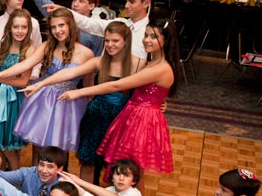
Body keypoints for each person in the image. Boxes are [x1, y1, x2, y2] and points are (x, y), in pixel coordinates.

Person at [15, 21, 139, 184]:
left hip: (122, 117)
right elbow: (70, 72)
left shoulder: (138, 64)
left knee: (118, 161)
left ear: (126, 41)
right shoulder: (99, 61)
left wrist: (159, 103)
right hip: (97, 113)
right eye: (107, 41)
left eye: (114, 41)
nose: (109, 45)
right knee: (87, 159)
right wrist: (41, 84)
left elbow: (142, 85)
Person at [59, 17, 180, 175]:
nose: (146, 40)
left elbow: (116, 85)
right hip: (128, 116)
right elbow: (150, 89)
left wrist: (79, 92)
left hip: (141, 119)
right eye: (146, 35)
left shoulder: (155, 66)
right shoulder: (151, 63)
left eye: (153, 36)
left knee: (130, 169)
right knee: (114, 165)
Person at [9, 8, 94, 153]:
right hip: (43, 100)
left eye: (61, 25)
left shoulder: (87, 54)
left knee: (60, 150)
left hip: (68, 104)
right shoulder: (47, 47)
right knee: (38, 146)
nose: (57, 30)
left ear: (70, 25)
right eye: (53, 27)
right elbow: (26, 64)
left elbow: (88, 85)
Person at [0, 9, 34, 169]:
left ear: (29, 29)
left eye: (24, 27)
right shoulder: (5, 46)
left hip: (13, 101)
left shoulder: (29, 50)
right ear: (9, 28)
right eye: (16, 27)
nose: (20, 31)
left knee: (9, 149)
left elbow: (23, 81)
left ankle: (14, 182)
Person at [14, 0, 103, 55]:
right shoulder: (62, 16)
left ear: (91, 6)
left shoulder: (95, 29)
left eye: (81, 1)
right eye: (74, 0)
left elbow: (96, 60)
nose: (75, 4)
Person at [59, 0, 152, 59]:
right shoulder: (119, 23)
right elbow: (89, 23)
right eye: (126, 1)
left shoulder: (150, 32)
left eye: (132, 2)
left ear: (146, 3)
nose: (126, 6)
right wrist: (63, 11)